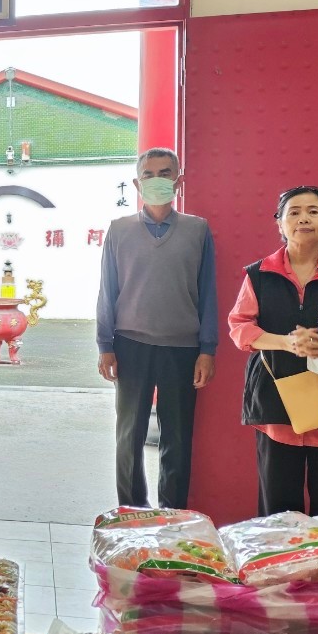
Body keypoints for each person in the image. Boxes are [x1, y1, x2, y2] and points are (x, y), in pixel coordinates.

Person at [97, 147, 218, 510]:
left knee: (177, 440)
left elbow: (208, 291)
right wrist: (105, 345)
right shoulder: (119, 231)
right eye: (148, 174)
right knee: (128, 437)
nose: (156, 181)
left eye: (165, 173)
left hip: (182, 350)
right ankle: (131, 513)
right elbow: (108, 289)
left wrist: (207, 349)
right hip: (129, 344)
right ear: (137, 183)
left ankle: (172, 516)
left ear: (178, 182)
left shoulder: (197, 230)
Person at [227, 187, 318, 524]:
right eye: (294, 211)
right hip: (275, 399)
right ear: (279, 224)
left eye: (314, 211)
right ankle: (281, 573)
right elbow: (239, 326)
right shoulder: (258, 274)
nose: (303, 218)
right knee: (278, 507)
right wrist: (285, 342)